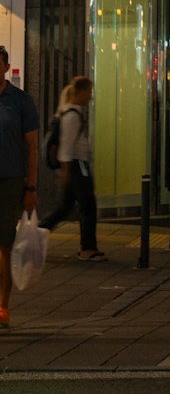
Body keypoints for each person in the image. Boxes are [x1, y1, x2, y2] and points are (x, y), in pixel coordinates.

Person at [39, 76, 103, 262]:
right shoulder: (72, 116)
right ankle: (87, 248)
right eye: (89, 92)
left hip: (75, 166)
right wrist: (65, 172)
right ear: (81, 92)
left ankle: (35, 235)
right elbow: (66, 147)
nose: (90, 97)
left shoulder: (70, 113)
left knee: (64, 207)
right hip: (77, 166)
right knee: (87, 205)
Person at [0, 45, 39, 331]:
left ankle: (3, 307)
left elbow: (32, 147)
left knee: (5, 244)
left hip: (10, 180)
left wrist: (32, 187)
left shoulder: (21, 102)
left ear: (5, 67)